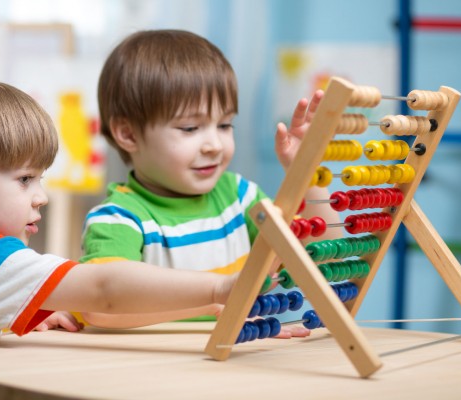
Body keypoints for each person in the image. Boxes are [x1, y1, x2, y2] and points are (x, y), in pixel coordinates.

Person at [0, 74, 240, 400]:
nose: (42, 196)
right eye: (24, 180)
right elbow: (104, 286)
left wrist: (10, 314)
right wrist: (218, 287)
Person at [79, 30, 339, 331]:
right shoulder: (119, 220)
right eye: (190, 128)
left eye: (225, 124)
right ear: (128, 134)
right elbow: (101, 310)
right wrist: (214, 306)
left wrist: (306, 173)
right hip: (153, 370)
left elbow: (320, 255)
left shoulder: (239, 198)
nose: (214, 144)